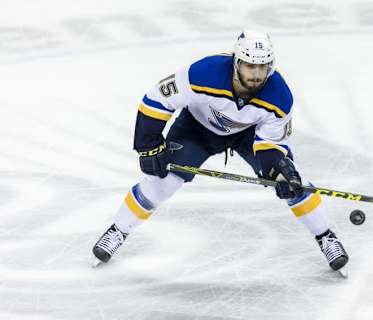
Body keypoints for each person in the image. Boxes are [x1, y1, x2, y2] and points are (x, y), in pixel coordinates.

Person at [92, 30, 349, 273]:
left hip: (248, 134)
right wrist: (148, 145)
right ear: (237, 62)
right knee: (163, 182)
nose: (257, 73)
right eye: (250, 65)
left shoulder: (279, 96)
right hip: (196, 129)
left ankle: (325, 235)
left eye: (263, 66)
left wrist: (277, 171)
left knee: (295, 183)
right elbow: (156, 99)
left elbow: (271, 143)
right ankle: (118, 230)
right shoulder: (204, 72)